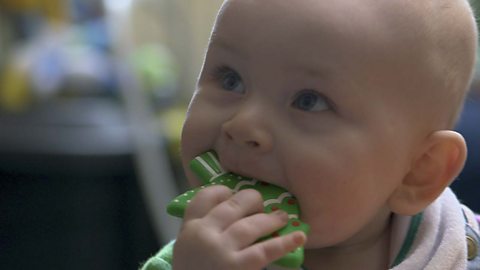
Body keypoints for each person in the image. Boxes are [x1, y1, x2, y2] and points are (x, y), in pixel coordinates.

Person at [142, 0, 480, 269]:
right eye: (231, 79)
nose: (243, 125)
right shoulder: (192, 263)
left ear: (419, 171)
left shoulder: (459, 252)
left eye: (309, 101)